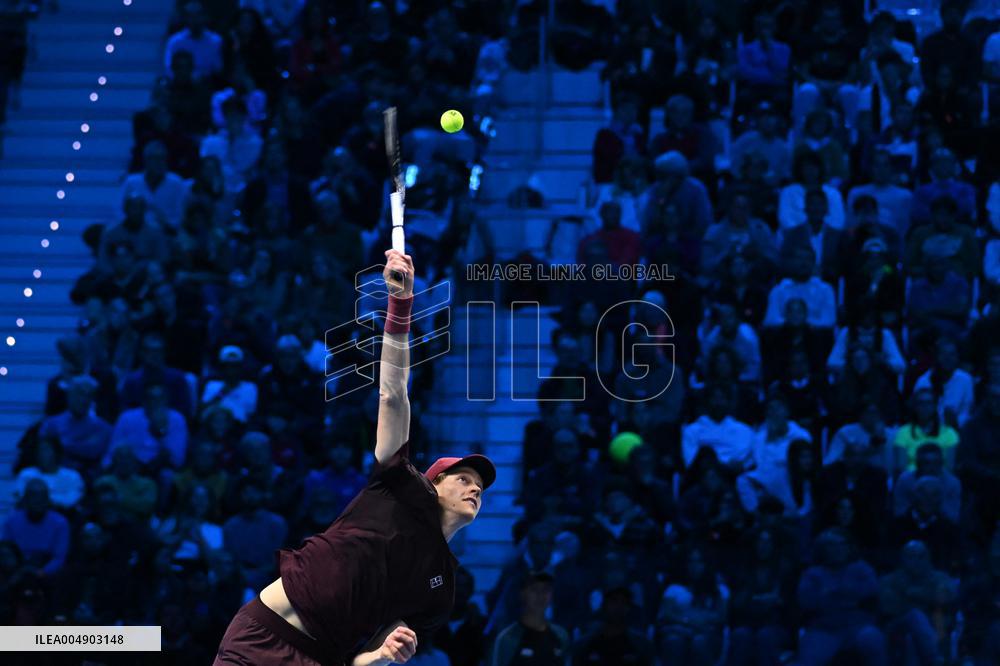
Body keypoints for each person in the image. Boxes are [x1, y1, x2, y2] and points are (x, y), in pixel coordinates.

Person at [215, 250, 497, 666]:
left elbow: (363, 662)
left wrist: (383, 655)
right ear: (432, 482)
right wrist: (400, 305)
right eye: (463, 477)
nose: (474, 487)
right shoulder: (399, 487)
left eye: (480, 486)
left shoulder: (439, 593)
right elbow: (393, 393)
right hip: (264, 634)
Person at [490, 571, 571, 666]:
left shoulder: (561, 635)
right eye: (534, 589)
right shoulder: (508, 639)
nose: (540, 596)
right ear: (522, 594)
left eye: (546, 590)